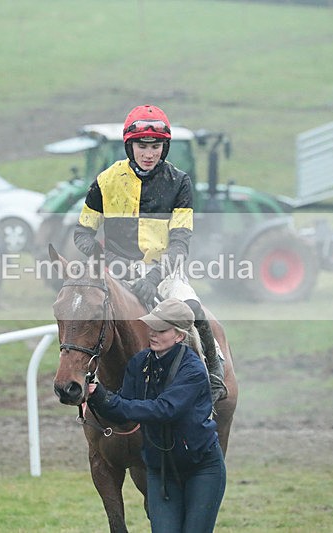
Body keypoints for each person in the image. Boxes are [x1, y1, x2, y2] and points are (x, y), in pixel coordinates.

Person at [73, 104, 226, 403]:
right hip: (117, 273)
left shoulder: (180, 182)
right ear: (130, 146)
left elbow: (181, 240)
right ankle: (79, 378)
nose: (149, 153)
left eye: (155, 146)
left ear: (164, 148)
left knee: (193, 308)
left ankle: (214, 373)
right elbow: (82, 233)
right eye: (142, 146)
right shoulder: (106, 181)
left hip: (164, 271)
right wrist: (109, 261)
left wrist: (155, 275)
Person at [87, 298, 226, 533]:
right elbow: (124, 410)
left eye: (161, 329)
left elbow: (164, 410)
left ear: (180, 336)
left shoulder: (192, 369)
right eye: (152, 326)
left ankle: (219, 376)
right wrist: (93, 397)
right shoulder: (139, 362)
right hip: (160, 471)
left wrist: (108, 399)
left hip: (202, 471)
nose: (152, 332)